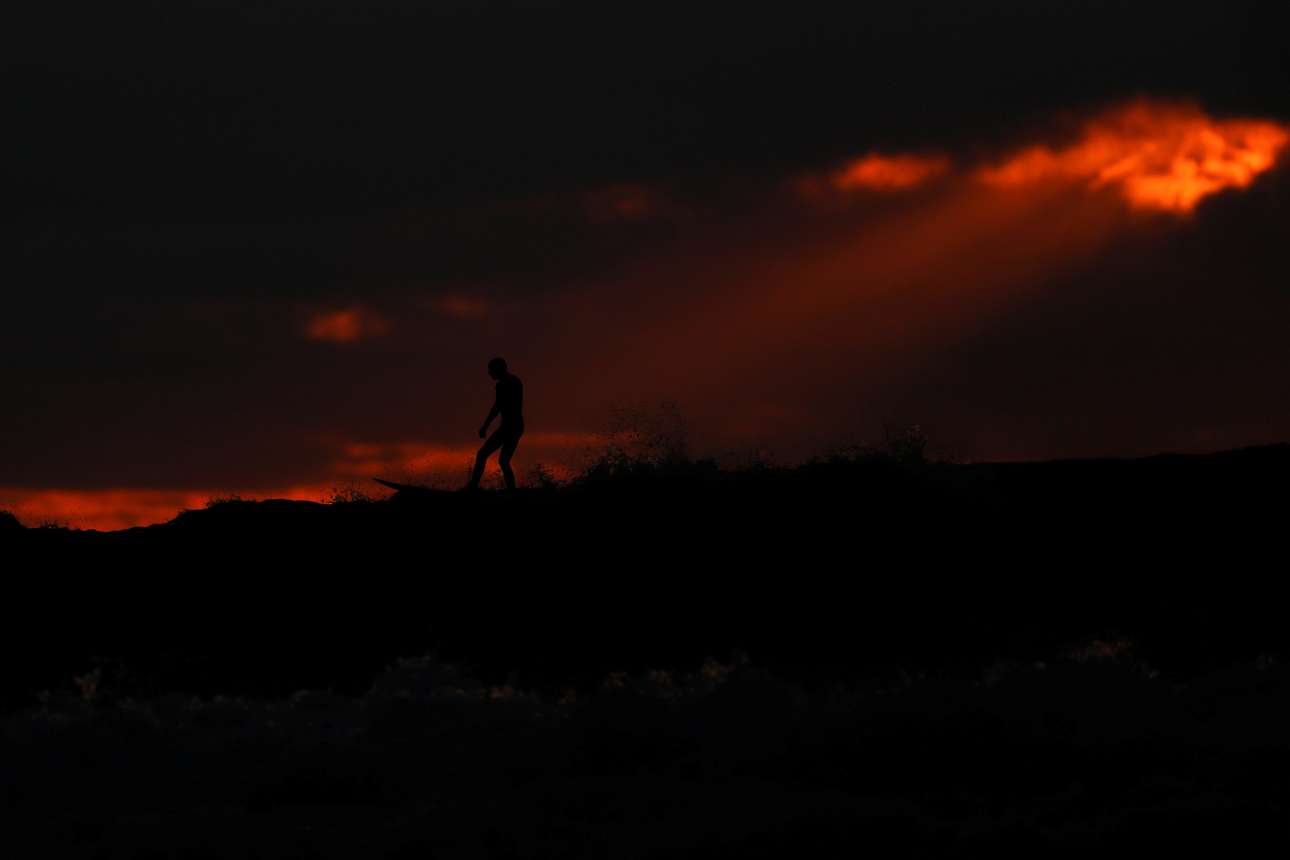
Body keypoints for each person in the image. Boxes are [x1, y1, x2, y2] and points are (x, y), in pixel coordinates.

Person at [468, 357, 524, 490]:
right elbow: (498, 406)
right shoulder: (511, 382)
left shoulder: (507, 383)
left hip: (510, 426)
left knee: (483, 455)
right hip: (515, 425)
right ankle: (512, 491)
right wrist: (486, 426)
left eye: (491, 370)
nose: (489, 373)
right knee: (503, 461)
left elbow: (497, 407)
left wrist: (485, 426)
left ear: (498, 369)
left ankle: (472, 488)